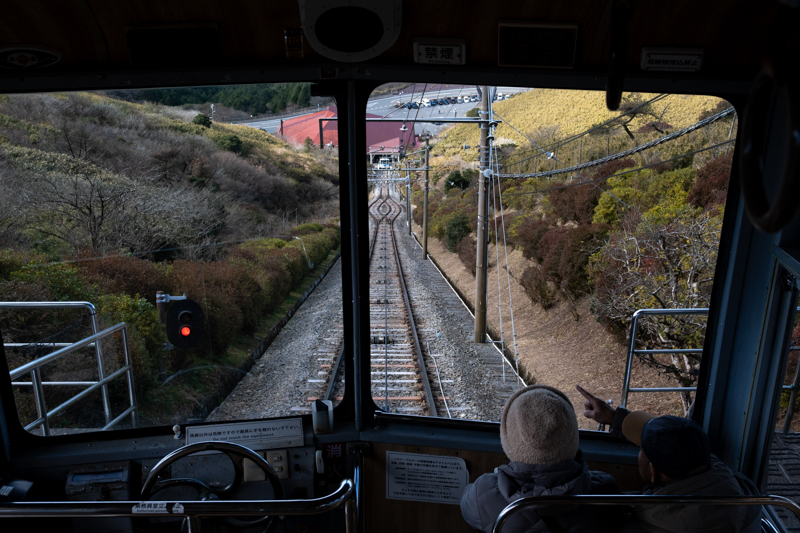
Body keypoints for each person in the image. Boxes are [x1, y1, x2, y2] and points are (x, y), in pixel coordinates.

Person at [576, 385, 762, 533]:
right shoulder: (741, 489)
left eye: (641, 449)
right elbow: (679, 442)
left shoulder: (640, 524)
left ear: (654, 471)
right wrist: (615, 418)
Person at [461, 384, 620, 533]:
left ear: (508, 438)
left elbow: (466, 506)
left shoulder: (481, 493)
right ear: (572, 436)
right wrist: (617, 419)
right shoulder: (605, 491)